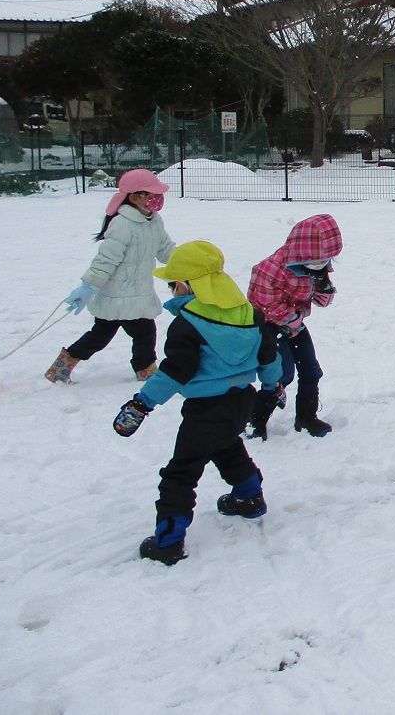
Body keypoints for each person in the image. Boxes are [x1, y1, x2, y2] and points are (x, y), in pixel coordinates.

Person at [111, 241, 281, 565]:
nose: (172, 290)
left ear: (187, 285)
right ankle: (249, 496)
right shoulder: (250, 314)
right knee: (227, 446)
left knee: (181, 472)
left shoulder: (187, 325)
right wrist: (272, 388)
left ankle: (169, 541)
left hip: (205, 409)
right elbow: (269, 358)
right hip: (242, 400)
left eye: (172, 283)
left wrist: (142, 403)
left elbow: (175, 372)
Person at [46, 168, 175, 384]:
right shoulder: (123, 224)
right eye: (151, 194)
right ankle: (145, 371)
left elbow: (164, 249)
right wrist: (88, 286)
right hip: (117, 295)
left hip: (137, 293)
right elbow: (106, 259)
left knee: (114, 334)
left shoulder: (154, 221)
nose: (157, 199)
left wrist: (187, 261)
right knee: (126, 334)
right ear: (135, 197)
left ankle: (63, 366)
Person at [246, 214, 343, 438]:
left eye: (324, 262)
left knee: (311, 370)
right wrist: (293, 318)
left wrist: (324, 287)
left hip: (294, 325)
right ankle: (255, 419)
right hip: (268, 326)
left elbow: (321, 301)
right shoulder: (270, 269)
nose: (321, 266)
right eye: (318, 262)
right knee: (281, 374)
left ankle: (307, 417)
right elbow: (264, 303)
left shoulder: (315, 267)